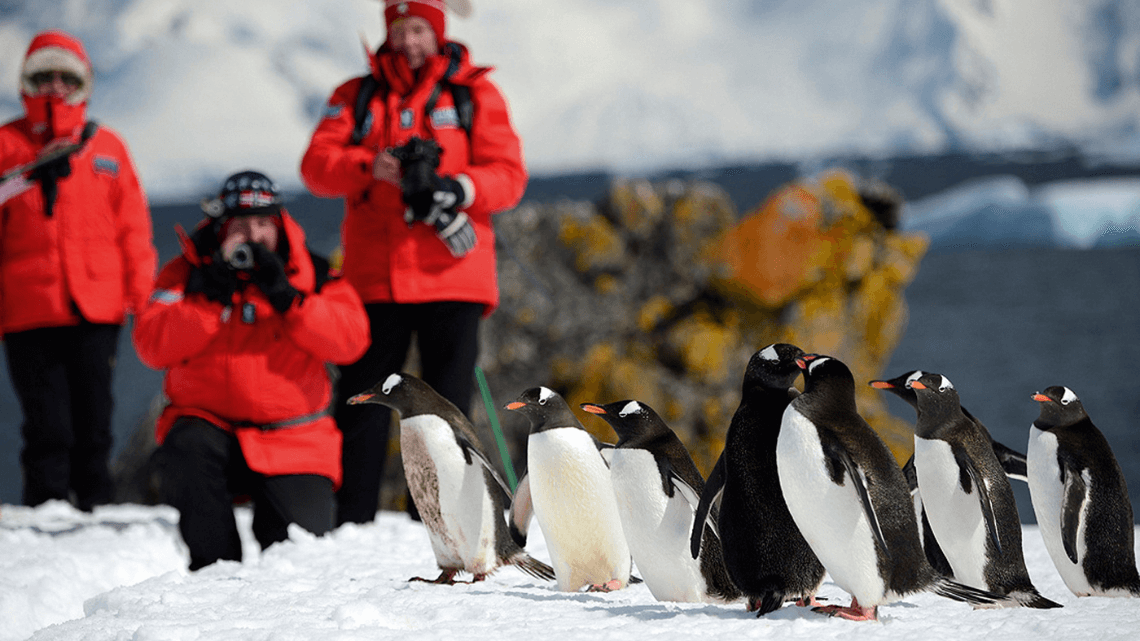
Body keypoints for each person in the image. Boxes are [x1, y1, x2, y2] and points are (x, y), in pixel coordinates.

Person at [301, 0, 528, 524]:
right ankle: (348, 520)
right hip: (375, 279)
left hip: (454, 277)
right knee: (363, 405)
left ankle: (440, 520)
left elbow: (509, 175)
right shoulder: (354, 97)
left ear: (438, 31)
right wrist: (369, 166)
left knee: (446, 408)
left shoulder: (475, 94)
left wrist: (457, 186)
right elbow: (317, 168)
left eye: (420, 28)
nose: (409, 41)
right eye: (400, 29)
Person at [132, 171, 370, 570]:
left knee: (298, 556)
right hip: (209, 430)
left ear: (280, 227)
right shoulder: (186, 274)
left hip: (294, 438)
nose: (252, 237)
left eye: (263, 225)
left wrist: (290, 301)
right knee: (186, 448)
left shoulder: (314, 272)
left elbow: (351, 342)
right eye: (240, 226)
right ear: (222, 229)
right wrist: (209, 299)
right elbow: (151, 344)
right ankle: (214, 572)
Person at [0, 30, 156, 511]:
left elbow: (133, 228)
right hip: (27, 309)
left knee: (95, 419)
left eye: (64, 77)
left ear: (81, 83)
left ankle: (96, 509)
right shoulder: (6, 145)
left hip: (97, 307)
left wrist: (142, 297)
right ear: (27, 83)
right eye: (43, 77)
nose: (55, 87)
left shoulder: (107, 146)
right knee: (46, 425)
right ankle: (43, 516)